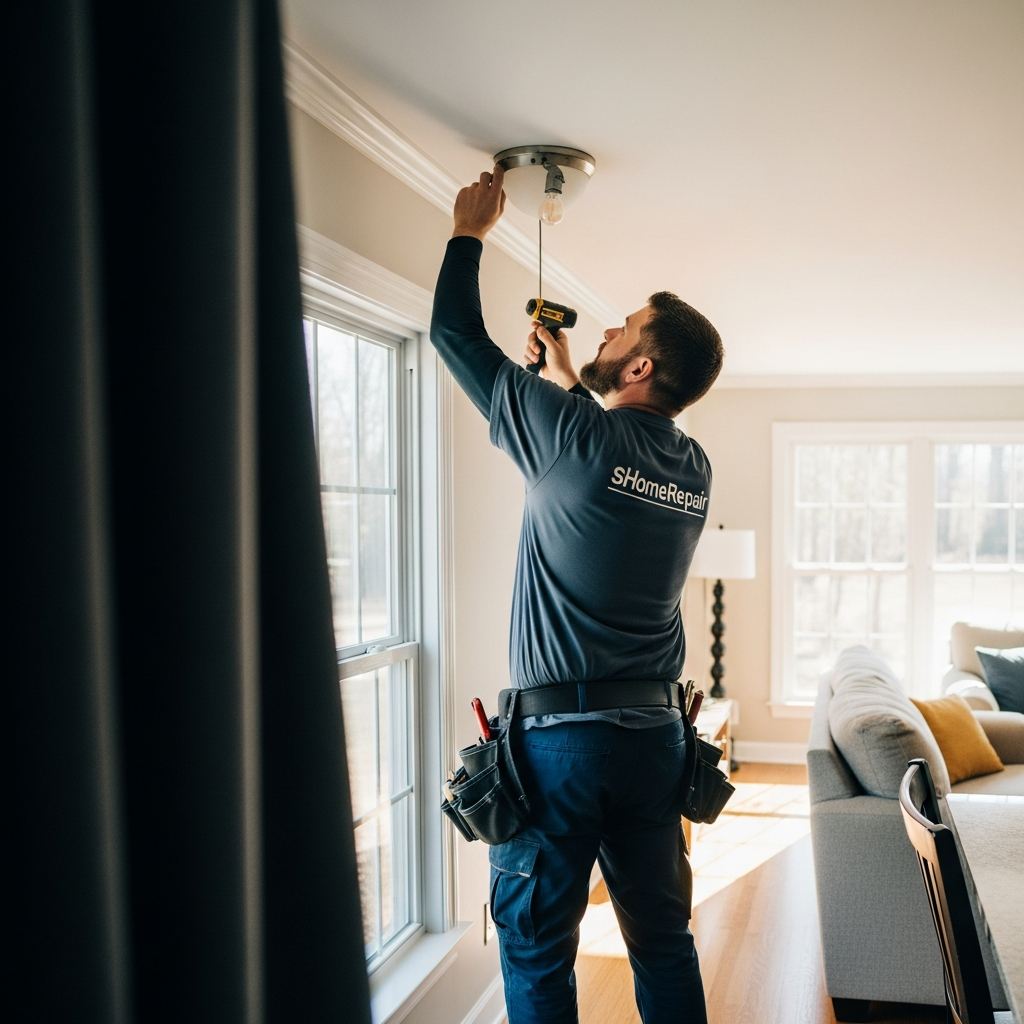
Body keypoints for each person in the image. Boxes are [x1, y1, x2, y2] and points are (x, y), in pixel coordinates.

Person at [430, 166, 724, 1024]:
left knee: (536, 949)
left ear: (638, 363)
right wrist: (567, 376)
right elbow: (608, 460)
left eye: (622, 327)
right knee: (664, 944)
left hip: (561, 748)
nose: (604, 327)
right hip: (656, 745)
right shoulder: (692, 466)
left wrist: (468, 231)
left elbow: (454, 333)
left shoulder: (572, 434)